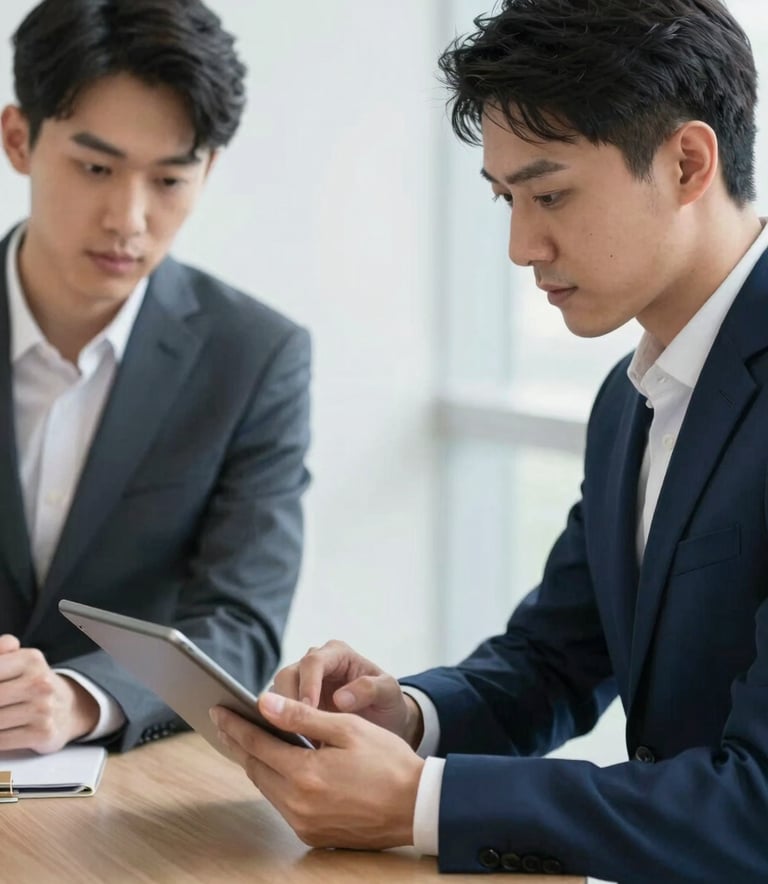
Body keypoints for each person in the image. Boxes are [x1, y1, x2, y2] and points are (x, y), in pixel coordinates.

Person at [211, 1, 768, 881]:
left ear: (689, 163)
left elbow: (757, 807)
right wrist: (404, 718)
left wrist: (419, 802)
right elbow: (552, 662)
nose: (518, 246)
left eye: (549, 194)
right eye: (506, 197)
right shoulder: (629, 403)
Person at [0, 0, 310, 754]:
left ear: (207, 171)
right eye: (95, 167)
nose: (127, 219)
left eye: (169, 180)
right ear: (19, 139)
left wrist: (77, 699)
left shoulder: (254, 355)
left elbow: (239, 625)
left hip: (127, 798)